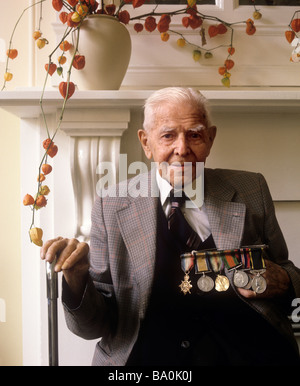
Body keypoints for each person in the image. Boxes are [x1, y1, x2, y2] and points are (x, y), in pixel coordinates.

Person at [41, 87, 300, 366]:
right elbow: (93, 326)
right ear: (146, 143)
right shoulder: (112, 204)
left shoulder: (251, 189)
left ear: (210, 139)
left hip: (248, 354)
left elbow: (288, 273)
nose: (182, 148)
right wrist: (77, 279)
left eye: (195, 135)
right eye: (168, 135)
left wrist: (284, 281)